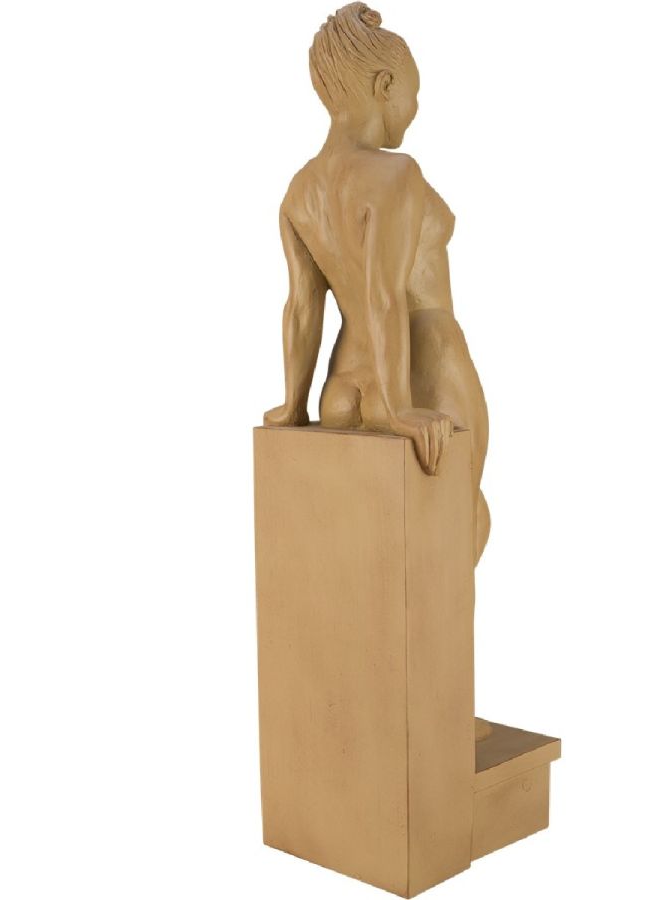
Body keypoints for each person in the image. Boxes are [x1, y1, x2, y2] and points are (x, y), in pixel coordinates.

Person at [264, 3, 491, 564]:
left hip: (343, 383)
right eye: (412, 95)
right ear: (385, 85)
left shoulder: (298, 192)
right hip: (423, 362)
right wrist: (399, 408)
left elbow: (302, 308)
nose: (413, 111)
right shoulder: (395, 173)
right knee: (461, 525)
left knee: (362, 549)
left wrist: (294, 404)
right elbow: (385, 292)